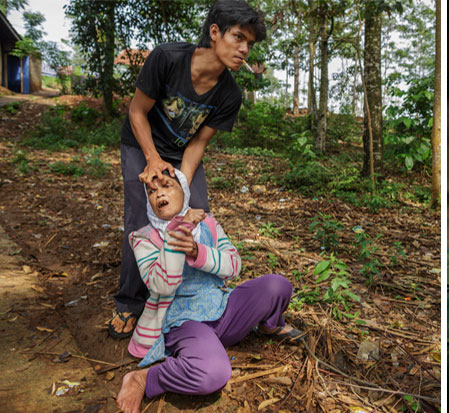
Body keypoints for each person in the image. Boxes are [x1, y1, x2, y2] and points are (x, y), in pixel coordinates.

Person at [110, 0, 267, 339]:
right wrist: (152, 161)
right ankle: (131, 301)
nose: (244, 49)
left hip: (181, 152)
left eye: (250, 44)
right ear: (214, 32)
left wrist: (181, 181)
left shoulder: (230, 94)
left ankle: (191, 297)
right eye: (238, 37)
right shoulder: (168, 58)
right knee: (141, 216)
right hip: (141, 142)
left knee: (198, 216)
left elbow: (197, 144)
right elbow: (137, 112)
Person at [116, 170, 305, 413]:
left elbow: (233, 265)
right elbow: (163, 285)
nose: (159, 193)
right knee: (212, 374)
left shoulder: (208, 224)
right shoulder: (144, 238)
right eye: (151, 191)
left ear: (184, 192)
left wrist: (198, 252)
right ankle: (144, 378)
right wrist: (178, 231)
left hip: (224, 308)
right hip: (185, 322)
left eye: (167, 186)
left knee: (277, 286)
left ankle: (269, 324)